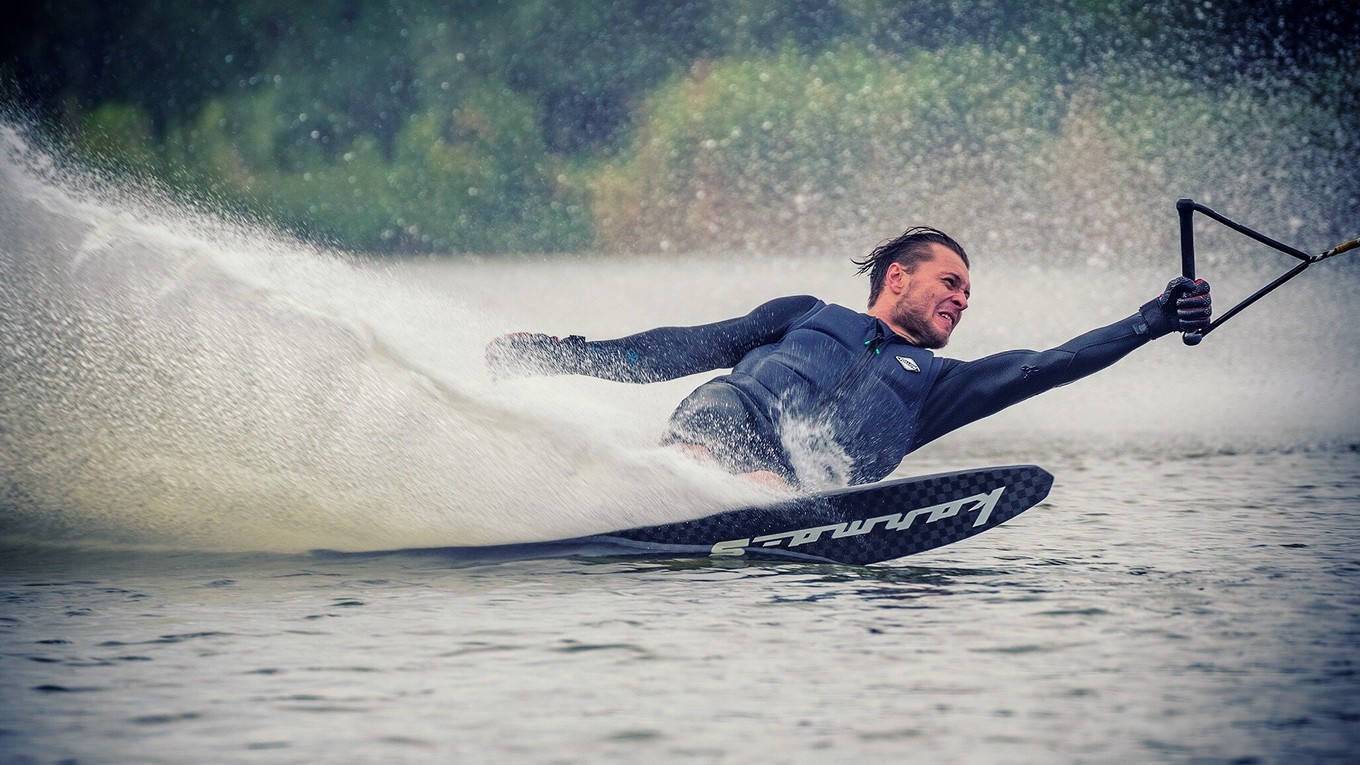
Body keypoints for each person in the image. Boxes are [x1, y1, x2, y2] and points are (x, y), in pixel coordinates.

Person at [485, 227, 1211, 489]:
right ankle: (654, 487)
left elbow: (1049, 362)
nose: (962, 299)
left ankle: (726, 500)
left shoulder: (939, 384)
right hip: (721, 421)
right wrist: (557, 355)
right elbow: (681, 348)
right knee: (732, 439)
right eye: (950, 282)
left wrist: (1151, 320)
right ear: (897, 277)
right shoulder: (805, 314)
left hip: (797, 484)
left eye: (968, 292)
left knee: (773, 481)